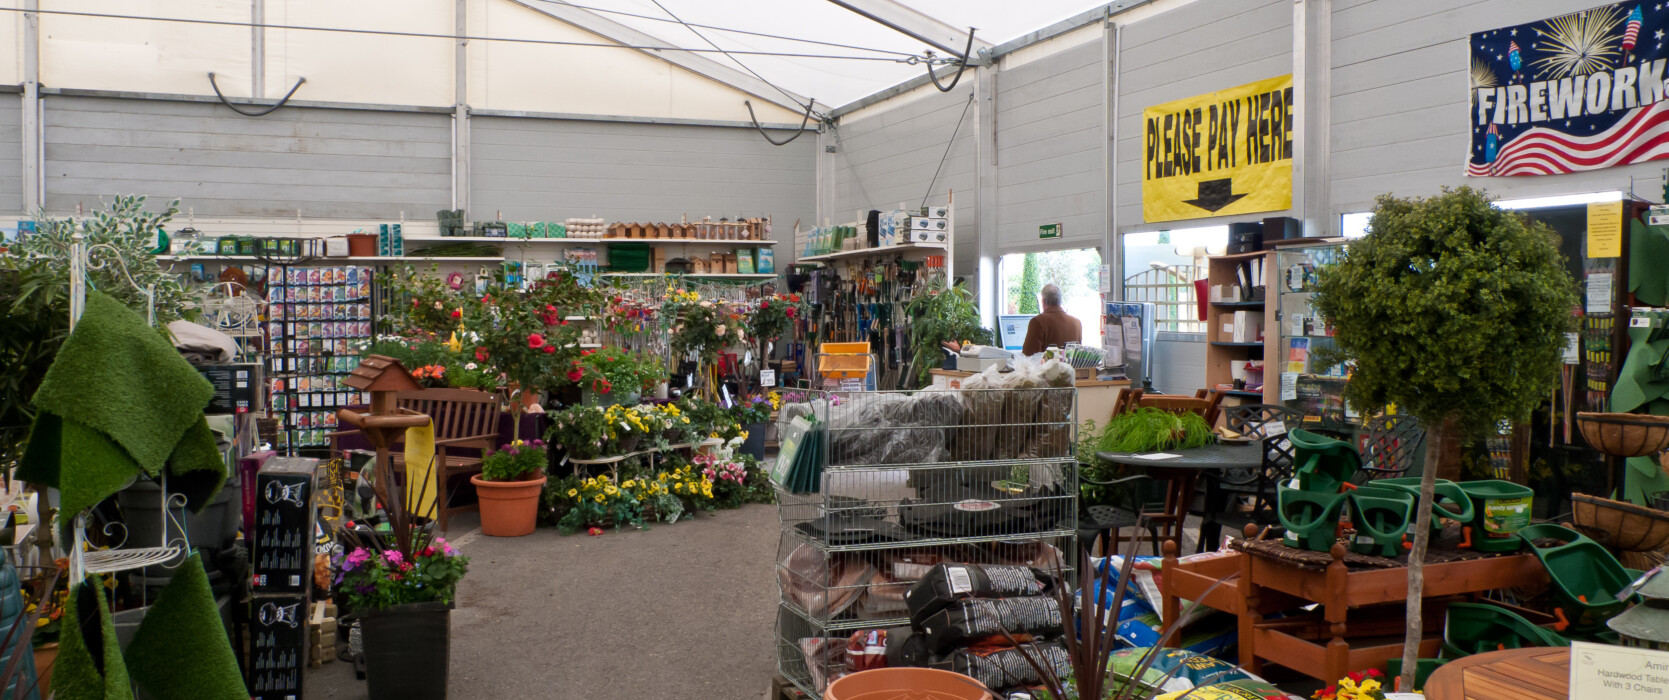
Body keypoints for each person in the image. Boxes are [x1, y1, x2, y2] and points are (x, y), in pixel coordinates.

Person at [1021, 284, 1081, 355]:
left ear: (1043, 301)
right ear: (1060, 301)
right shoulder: (1077, 323)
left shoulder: (1038, 322)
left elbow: (1028, 357)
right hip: (1070, 366)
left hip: (1046, 366)